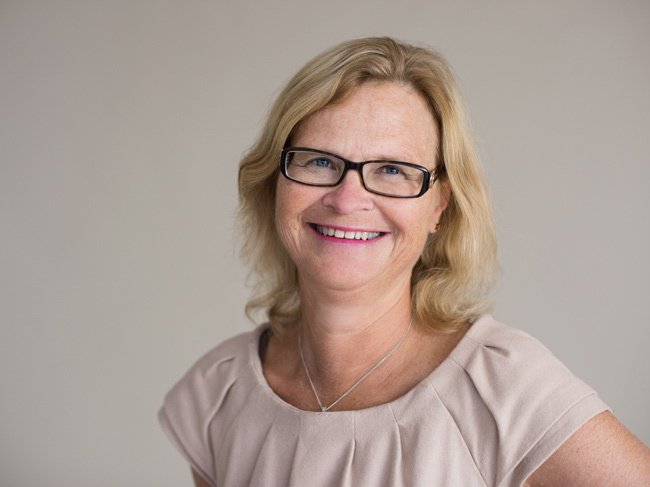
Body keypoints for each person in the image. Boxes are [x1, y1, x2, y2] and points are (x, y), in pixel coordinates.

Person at [159, 37, 650, 486]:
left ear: (439, 207)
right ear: (276, 183)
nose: (347, 199)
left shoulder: (503, 391)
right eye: (320, 161)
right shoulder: (218, 395)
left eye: (393, 169)